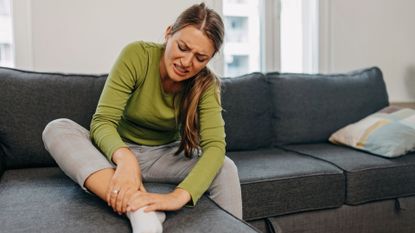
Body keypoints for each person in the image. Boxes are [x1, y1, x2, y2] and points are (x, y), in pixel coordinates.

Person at [42, 3, 242, 233]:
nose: (187, 62)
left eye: (200, 57)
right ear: (169, 33)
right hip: (114, 154)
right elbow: (103, 121)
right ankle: (138, 209)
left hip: (164, 156)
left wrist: (177, 197)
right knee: (57, 128)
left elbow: (215, 147)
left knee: (225, 167)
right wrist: (126, 160)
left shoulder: (206, 84)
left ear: (211, 57)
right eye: (183, 47)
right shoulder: (137, 55)